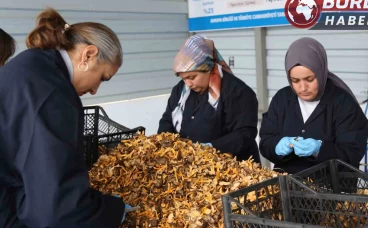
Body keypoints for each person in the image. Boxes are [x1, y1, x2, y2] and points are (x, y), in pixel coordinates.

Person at [0, 8, 133, 228]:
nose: (95, 90)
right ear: (88, 55)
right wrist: (111, 210)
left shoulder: (31, 64)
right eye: (102, 78)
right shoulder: (53, 95)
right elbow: (55, 206)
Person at [259, 37, 368, 174]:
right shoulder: (281, 99)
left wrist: (320, 149)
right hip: (287, 186)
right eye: (295, 80)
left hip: (330, 190)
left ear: (321, 72)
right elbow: (265, 141)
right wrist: (276, 146)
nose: (302, 87)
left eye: (309, 79)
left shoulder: (343, 103)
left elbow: (353, 152)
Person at [158, 35, 260, 163]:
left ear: (208, 69)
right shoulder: (180, 91)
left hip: (232, 167)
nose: (188, 84)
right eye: (183, 78)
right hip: (191, 166)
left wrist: (211, 148)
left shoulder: (237, 92)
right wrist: (166, 144)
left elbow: (244, 134)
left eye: (192, 77)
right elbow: (167, 119)